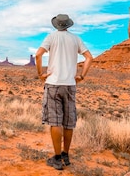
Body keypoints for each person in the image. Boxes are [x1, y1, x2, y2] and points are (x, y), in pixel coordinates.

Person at [35, 14, 93, 170]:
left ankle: (57, 158)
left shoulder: (51, 37)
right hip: (70, 85)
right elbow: (89, 57)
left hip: (53, 84)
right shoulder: (75, 39)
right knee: (68, 122)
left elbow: (38, 54)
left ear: (56, 25)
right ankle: (65, 155)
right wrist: (81, 76)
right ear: (68, 25)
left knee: (55, 122)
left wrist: (41, 74)